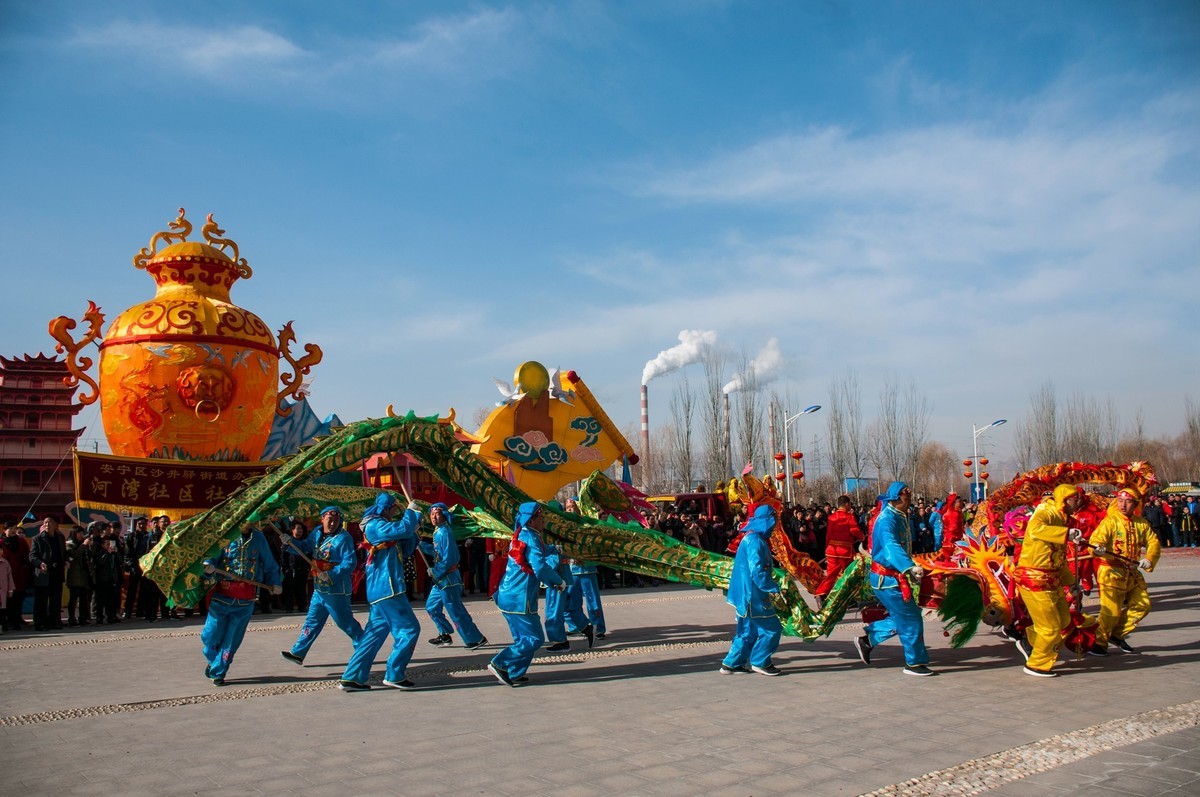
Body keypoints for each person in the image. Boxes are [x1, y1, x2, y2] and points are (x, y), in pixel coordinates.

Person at [339, 493, 422, 692]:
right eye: (393, 508)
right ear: (386, 508)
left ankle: (352, 677)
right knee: (409, 629)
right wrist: (410, 514)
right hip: (388, 588)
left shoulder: (384, 527)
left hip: (383, 590)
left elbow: (405, 547)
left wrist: (415, 531)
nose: (394, 512)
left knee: (373, 636)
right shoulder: (374, 525)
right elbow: (402, 529)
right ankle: (395, 674)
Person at [854, 482, 936, 676]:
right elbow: (891, 547)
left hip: (892, 577)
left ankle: (868, 640)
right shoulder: (887, 519)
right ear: (897, 498)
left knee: (903, 616)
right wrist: (908, 566)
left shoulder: (899, 516)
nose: (910, 499)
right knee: (911, 619)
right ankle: (913, 663)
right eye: (907, 496)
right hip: (887, 579)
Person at [488, 502, 566, 687]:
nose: (543, 521)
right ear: (531, 521)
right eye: (541, 518)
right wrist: (557, 581)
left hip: (508, 595)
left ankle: (513, 672)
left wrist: (554, 548)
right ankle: (500, 663)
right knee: (534, 638)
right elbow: (539, 566)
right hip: (519, 598)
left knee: (523, 639)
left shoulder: (523, 533)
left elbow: (536, 552)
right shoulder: (530, 536)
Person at [1011, 485, 1084, 677]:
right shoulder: (1045, 511)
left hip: (1052, 579)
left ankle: (1030, 643)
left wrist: (1071, 582)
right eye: (1075, 498)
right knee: (1050, 628)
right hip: (1034, 579)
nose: (1078, 502)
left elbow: (1059, 559)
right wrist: (1065, 534)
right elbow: (1035, 530)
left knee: (1064, 621)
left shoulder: (1062, 517)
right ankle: (1036, 664)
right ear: (1065, 499)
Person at [200, 526, 282, 686]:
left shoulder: (258, 537)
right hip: (222, 596)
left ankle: (218, 671)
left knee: (232, 640)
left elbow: (269, 563)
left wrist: (275, 582)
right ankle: (213, 660)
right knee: (210, 635)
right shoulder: (225, 533)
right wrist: (208, 566)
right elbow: (212, 557)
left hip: (245, 599)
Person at [281, 507, 364, 665]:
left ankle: (364, 647)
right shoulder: (317, 532)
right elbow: (305, 547)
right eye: (329, 520)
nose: (332, 523)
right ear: (322, 519)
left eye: (336, 520)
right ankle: (298, 652)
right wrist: (290, 542)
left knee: (345, 623)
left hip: (336, 589)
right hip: (319, 588)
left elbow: (350, 563)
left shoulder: (343, 538)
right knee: (312, 621)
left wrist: (331, 573)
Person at [1088, 487, 1161, 655]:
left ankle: (1117, 633)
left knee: (1143, 605)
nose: (1123, 505)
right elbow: (1096, 540)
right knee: (1111, 611)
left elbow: (1153, 542)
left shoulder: (1141, 523)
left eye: (1128, 502)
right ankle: (1098, 642)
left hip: (1132, 572)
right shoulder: (1110, 522)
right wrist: (1097, 548)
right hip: (1111, 572)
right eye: (1120, 501)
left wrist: (1149, 559)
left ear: (1135, 504)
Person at [720, 504, 784, 676]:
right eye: (774, 522)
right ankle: (760, 662)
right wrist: (773, 587)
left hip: (745, 594)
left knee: (748, 630)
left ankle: (732, 663)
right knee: (772, 628)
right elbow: (757, 571)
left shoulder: (752, 538)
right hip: (753, 594)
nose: (774, 527)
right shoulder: (754, 541)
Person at [420, 503, 487, 649]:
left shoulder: (445, 532)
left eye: (437, 514)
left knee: (456, 611)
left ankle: (475, 639)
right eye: (432, 514)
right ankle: (444, 633)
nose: (433, 517)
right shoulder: (438, 531)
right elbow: (438, 552)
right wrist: (421, 545)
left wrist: (435, 571)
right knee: (431, 607)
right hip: (441, 580)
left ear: (444, 515)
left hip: (449, 579)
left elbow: (449, 559)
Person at [814, 496, 864, 600]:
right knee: (849, 573)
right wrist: (863, 538)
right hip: (845, 551)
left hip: (832, 550)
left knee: (831, 575)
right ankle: (849, 596)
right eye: (849, 504)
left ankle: (821, 592)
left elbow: (828, 535)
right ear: (846, 504)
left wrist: (827, 549)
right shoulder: (849, 516)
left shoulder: (831, 517)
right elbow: (854, 530)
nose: (850, 506)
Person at [29, 517, 66, 631]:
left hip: (57, 573)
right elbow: (32, 556)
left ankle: (54, 622)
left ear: (55, 525)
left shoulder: (60, 537)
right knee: (41, 601)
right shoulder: (37, 538)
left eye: (50, 522)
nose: (47, 525)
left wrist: (66, 561)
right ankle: (40, 623)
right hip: (43, 573)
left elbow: (63, 553)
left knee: (56, 600)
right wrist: (40, 563)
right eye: (45, 523)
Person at [2, 520, 32, 631]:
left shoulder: (21, 542)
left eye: (15, 528)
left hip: (19, 575)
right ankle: (7, 621)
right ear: (5, 530)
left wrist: (26, 568)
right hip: (4, 577)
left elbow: (27, 556)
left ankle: (17, 618)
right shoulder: (1, 542)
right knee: (6, 600)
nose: (13, 530)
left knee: (19, 598)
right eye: (11, 528)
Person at [122, 516, 153, 620]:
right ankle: (128, 611)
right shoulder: (131, 536)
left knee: (144, 590)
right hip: (135, 566)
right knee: (132, 590)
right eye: (139, 524)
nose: (141, 526)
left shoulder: (149, 536)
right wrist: (131, 565)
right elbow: (127, 553)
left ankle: (140, 611)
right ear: (136, 525)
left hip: (145, 566)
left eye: (143, 524)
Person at [65, 526, 93, 626]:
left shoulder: (83, 544)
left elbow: (90, 556)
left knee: (84, 599)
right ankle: (71, 618)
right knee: (73, 599)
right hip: (75, 575)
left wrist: (89, 546)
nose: (81, 535)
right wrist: (84, 545)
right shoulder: (69, 544)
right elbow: (75, 554)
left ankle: (82, 618)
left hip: (84, 575)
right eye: (78, 533)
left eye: (82, 533)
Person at [937, 493, 965, 563]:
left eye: (961, 501)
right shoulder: (954, 513)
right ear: (954, 503)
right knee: (952, 559)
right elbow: (952, 528)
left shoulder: (951, 511)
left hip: (949, 539)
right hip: (953, 539)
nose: (961, 503)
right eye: (959, 501)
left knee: (948, 558)